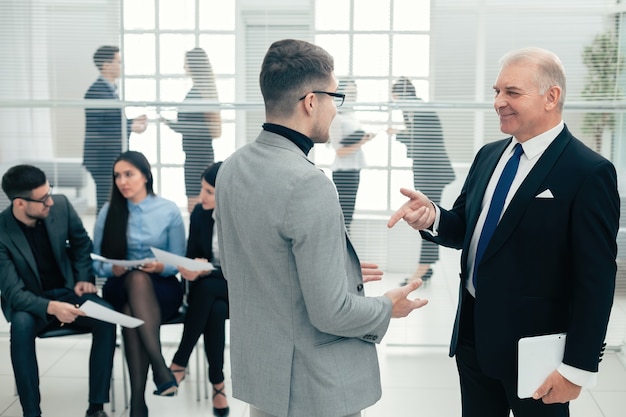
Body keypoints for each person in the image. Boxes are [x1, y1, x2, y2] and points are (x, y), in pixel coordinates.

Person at [388, 47, 619, 417]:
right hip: (473, 339)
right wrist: (432, 217)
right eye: (497, 92)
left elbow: (597, 279)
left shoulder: (588, 172)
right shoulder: (489, 155)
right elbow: (467, 227)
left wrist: (577, 369)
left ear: (551, 97)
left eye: (511, 93)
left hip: (537, 354)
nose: (498, 102)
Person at [215, 38, 429, 417]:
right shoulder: (308, 183)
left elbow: (241, 270)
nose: (335, 108)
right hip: (313, 388)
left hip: (266, 380)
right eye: (335, 96)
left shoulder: (231, 168)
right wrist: (385, 307)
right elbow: (331, 313)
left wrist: (331, 270)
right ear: (311, 101)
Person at [0, 164, 116, 417]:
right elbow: (13, 293)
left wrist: (84, 278)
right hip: (30, 302)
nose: (50, 201)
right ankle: (31, 413)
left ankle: (96, 407)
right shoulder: (2, 232)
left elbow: (81, 243)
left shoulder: (61, 206)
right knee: (20, 328)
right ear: (19, 203)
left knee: (106, 318)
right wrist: (51, 308)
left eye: (49, 192)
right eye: (42, 199)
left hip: (67, 289)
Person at [92, 151, 185, 417]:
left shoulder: (167, 210)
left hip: (163, 288)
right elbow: (95, 263)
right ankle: (160, 368)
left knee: (133, 312)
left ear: (145, 176)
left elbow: (178, 261)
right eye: (117, 176)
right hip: (119, 286)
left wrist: (159, 265)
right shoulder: (109, 211)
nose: (122, 181)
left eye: (128, 174)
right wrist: (114, 267)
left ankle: (137, 405)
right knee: (135, 279)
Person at [169, 161, 230, 417]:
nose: (201, 196)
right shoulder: (199, 214)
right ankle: (218, 384)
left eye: (209, 192)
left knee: (207, 288)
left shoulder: (244, 221)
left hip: (237, 291)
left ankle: (179, 362)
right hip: (209, 296)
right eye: (202, 189)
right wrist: (187, 268)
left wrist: (207, 271)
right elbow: (191, 255)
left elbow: (247, 272)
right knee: (213, 308)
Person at [388, 77, 455, 284]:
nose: (396, 103)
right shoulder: (417, 109)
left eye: (396, 98)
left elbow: (425, 142)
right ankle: (425, 267)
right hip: (429, 171)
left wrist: (398, 134)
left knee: (427, 219)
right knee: (428, 220)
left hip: (431, 172)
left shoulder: (418, 110)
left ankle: (422, 268)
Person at [84, 45, 148, 212]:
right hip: (102, 159)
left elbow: (110, 122)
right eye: (119, 62)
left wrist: (132, 123)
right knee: (107, 206)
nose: (122, 66)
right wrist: (130, 126)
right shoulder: (96, 92)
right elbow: (97, 130)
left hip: (109, 157)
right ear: (106, 65)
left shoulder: (109, 90)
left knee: (113, 204)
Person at [162, 47, 222, 213]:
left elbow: (195, 128)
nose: (184, 68)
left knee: (196, 206)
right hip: (200, 153)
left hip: (197, 157)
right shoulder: (203, 91)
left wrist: (170, 123)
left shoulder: (197, 93)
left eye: (186, 64)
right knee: (202, 205)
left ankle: (200, 238)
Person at [328, 78, 374, 230]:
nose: (353, 96)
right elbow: (340, 152)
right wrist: (363, 141)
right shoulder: (336, 117)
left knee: (349, 215)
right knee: (344, 215)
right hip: (343, 172)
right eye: (350, 92)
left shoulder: (351, 114)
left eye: (355, 92)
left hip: (355, 168)